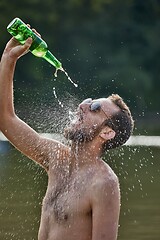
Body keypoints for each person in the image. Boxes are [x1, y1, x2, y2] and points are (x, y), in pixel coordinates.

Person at [0, 34, 134, 240]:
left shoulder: (104, 183)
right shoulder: (56, 158)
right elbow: (6, 120)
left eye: (95, 108)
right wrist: (8, 59)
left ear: (107, 132)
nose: (83, 105)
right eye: (88, 101)